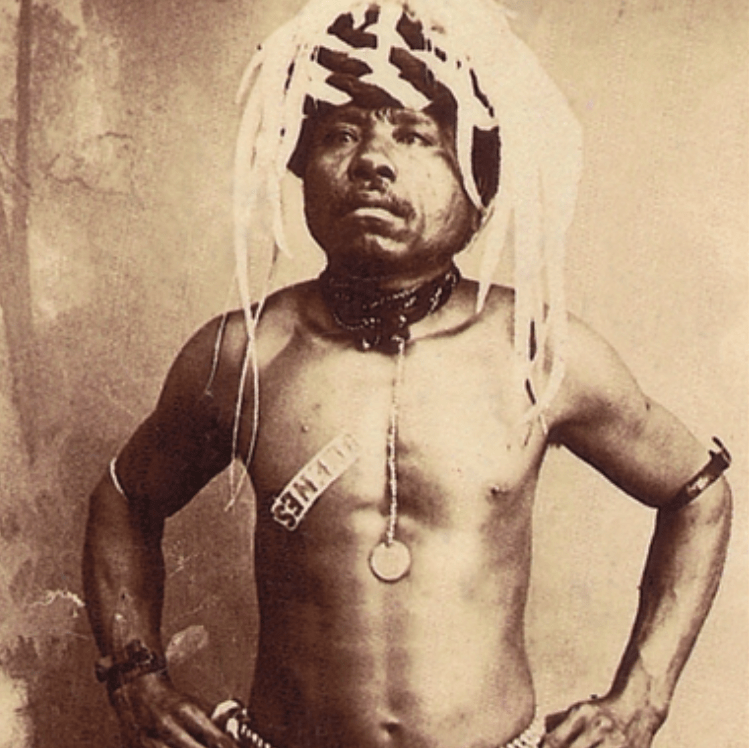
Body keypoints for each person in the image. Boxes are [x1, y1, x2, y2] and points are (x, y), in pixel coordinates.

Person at [82, 1, 732, 747]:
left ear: (479, 186)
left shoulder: (536, 349)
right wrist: (135, 677)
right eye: (341, 133)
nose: (372, 161)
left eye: (416, 134)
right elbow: (125, 499)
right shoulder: (244, 356)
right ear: (302, 167)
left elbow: (696, 491)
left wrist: (641, 698)